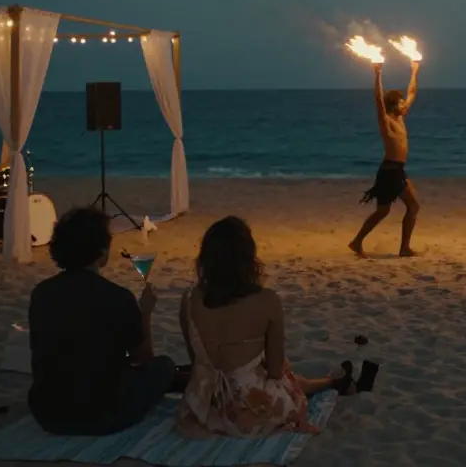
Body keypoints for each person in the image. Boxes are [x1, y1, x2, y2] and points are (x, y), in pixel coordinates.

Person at [178, 217, 369, 437]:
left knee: (262, 374)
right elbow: (275, 370)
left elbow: (197, 361)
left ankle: (331, 381)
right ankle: (331, 382)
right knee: (283, 377)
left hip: (203, 408)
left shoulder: (189, 300)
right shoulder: (267, 301)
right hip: (251, 413)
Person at [28, 207, 179, 435]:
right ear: (101, 253)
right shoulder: (117, 297)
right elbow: (143, 358)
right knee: (164, 366)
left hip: (48, 413)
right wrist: (145, 313)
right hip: (102, 413)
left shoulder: (41, 293)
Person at [350, 60, 421, 258]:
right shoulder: (387, 121)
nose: (405, 103)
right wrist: (377, 73)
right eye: (400, 102)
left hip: (395, 170)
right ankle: (404, 248)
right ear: (392, 105)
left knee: (383, 211)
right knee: (413, 206)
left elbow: (412, 92)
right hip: (390, 171)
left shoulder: (401, 118)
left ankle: (357, 242)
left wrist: (415, 69)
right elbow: (378, 100)